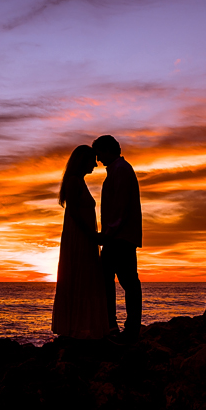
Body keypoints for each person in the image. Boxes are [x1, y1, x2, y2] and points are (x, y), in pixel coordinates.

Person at [51, 145, 110, 339]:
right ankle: (74, 329)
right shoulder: (74, 182)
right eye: (92, 160)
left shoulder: (79, 182)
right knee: (80, 277)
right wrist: (93, 235)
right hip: (80, 238)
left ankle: (80, 328)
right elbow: (75, 214)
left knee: (85, 279)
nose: (95, 164)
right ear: (82, 161)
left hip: (84, 237)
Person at [92, 135, 143, 341]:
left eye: (99, 154)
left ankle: (122, 327)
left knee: (119, 281)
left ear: (107, 150)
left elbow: (120, 207)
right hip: (120, 236)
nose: (98, 159)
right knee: (121, 281)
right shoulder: (118, 170)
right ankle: (120, 326)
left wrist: (108, 233)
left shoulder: (120, 170)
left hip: (119, 237)